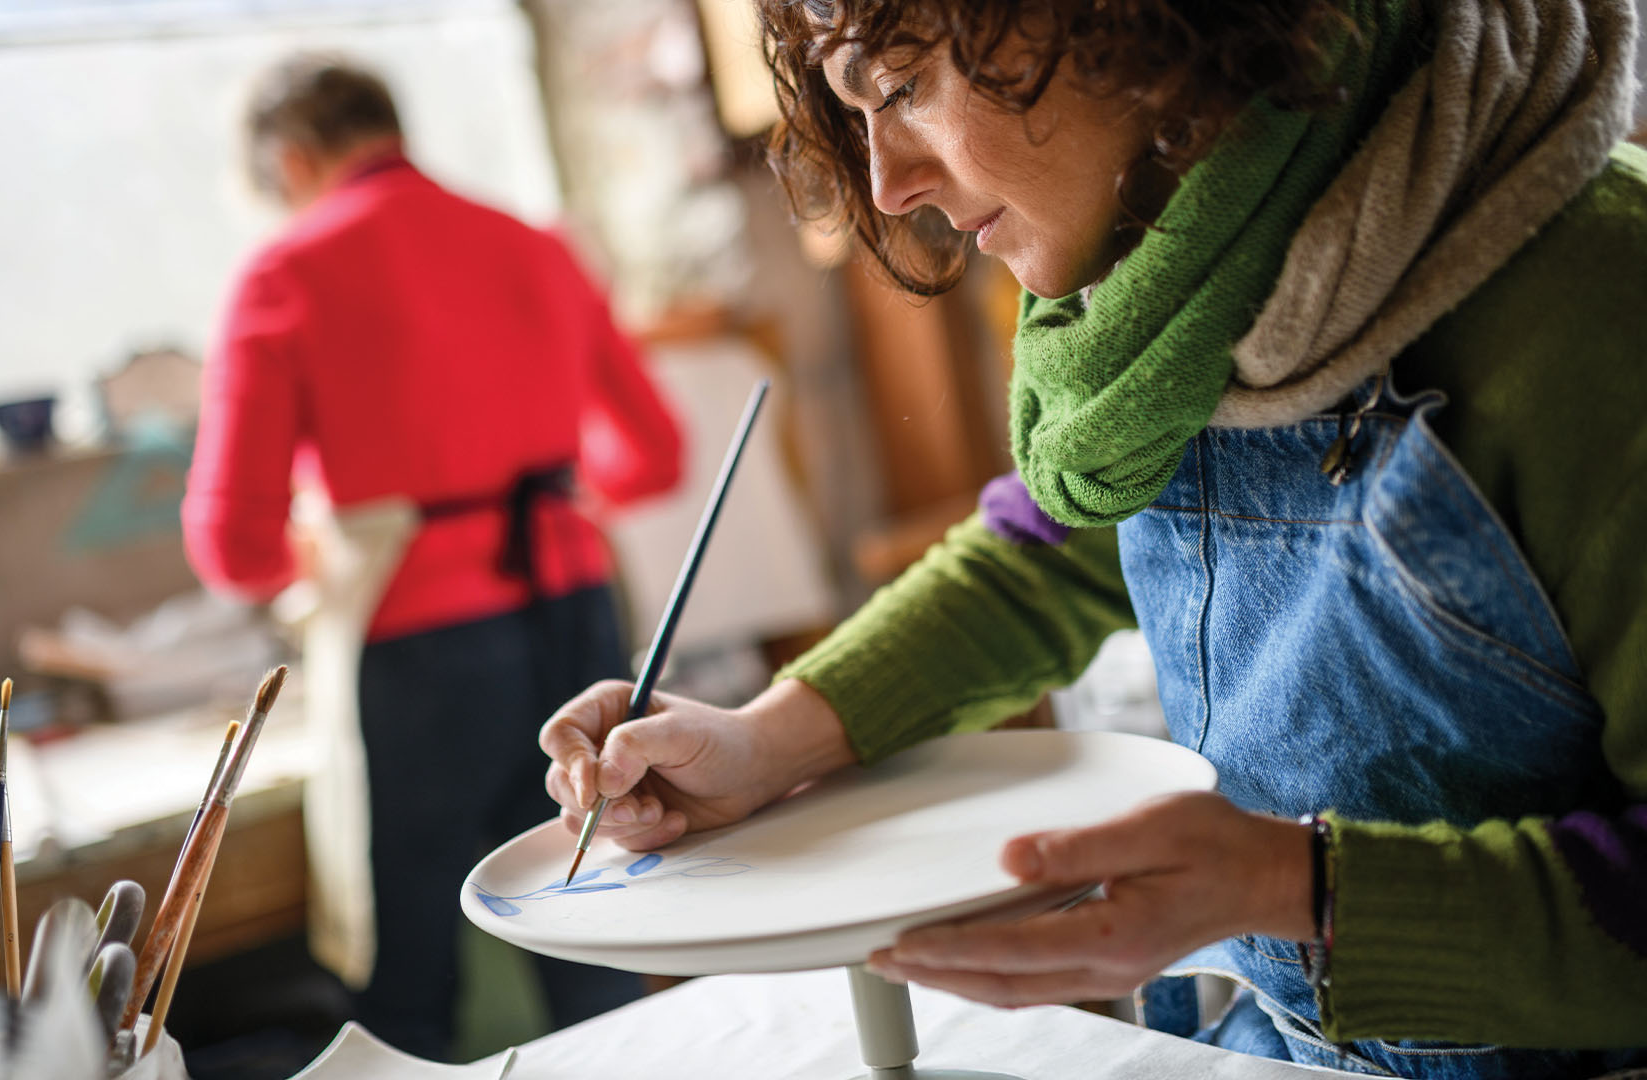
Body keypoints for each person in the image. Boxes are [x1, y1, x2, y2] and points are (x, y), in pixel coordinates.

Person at [539, 0, 1647, 1075]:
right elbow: (1041, 556)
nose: (889, 182)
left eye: (907, 87)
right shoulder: (1167, 275)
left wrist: (1296, 888)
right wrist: (766, 742)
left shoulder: (1602, 307)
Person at [184, 55, 682, 1060]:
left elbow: (234, 547)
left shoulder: (286, 271)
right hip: (575, 617)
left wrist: (325, 551)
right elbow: (654, 459)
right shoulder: (537, 244)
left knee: (405, 984)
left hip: (417, 656)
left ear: (290, 162)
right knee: (594, 932)